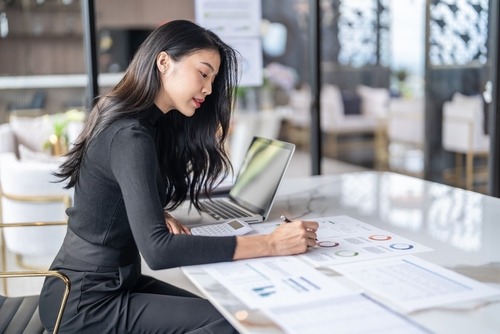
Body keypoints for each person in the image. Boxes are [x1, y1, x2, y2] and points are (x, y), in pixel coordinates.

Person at [39, 19, 318, 333]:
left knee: (227, 312)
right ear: (163, 61)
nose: (209, 89)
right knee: (229, 324)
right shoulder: (130, 135)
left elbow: (108, 194)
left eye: (213, 79)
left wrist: (152, 211)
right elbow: (158, 251)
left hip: (99, 286)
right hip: (84, 304)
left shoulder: (136, 119)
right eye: (202, 73)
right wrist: (270, 244)